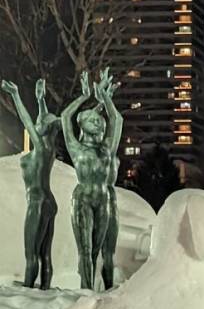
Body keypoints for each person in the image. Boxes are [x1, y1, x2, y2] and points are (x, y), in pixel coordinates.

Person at [61, 69, 122, 290]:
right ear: (83, 125)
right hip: (83, 199)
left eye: (99, 121)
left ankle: (102, 293)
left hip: (103, 200)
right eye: (93, 120)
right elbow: (66, 117)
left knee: (97, 251)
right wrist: (86, 96)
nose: (99, 123)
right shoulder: (76, 148)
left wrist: (104, 96)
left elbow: (116, 118)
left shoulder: (107, 148)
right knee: (85, 250)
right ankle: (85, 291)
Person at [1, 77, 60, 289]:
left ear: (43, 129)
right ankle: (44, 289)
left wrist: (15, 95)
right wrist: (41, 99)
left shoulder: (41, 148)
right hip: (49, 202)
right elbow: (45, 119)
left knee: (31, 255)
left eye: (40, 122)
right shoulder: (48, 150)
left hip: (36, 201)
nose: (37, 121)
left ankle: (27, 291)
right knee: (45, 254)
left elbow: (27, 121)